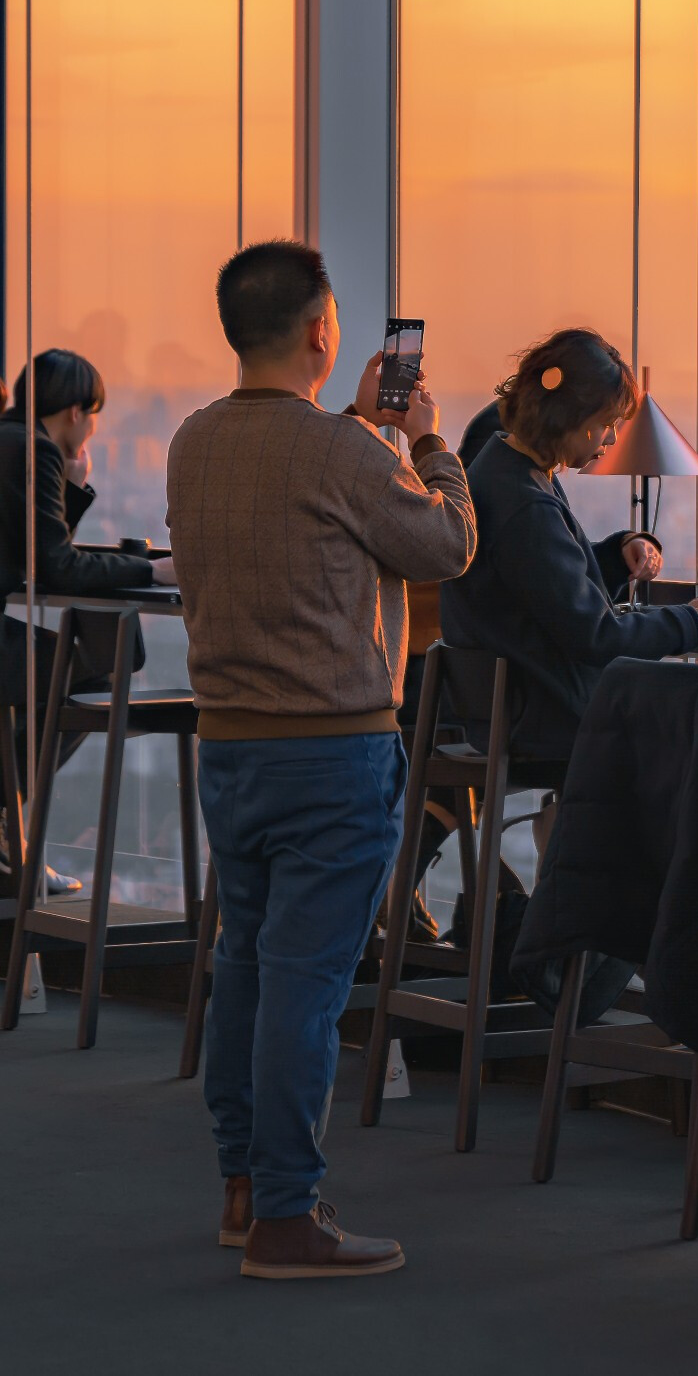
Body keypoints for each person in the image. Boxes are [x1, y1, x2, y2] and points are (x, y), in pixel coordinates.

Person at [166, 240, 475, 1282]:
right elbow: (445, 546)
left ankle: (245, 1188)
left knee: (247, 969)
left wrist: (363, 428)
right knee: (304, 986)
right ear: (319, 330)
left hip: (230, 748)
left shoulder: (191, 442)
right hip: (332, 752)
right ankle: (289, 1218)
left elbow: (306, 493)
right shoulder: (350, 455)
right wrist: (427, 444)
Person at [423, 330, 698, 893]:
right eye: (606, 424)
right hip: (550, 712)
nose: (609, 440)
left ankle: (578, 875)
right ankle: (643, 908)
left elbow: (538, 595)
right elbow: (595, 633)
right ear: (573, 418)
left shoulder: (500, 469)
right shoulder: (524, 502)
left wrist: (612, 555)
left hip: (520, 704)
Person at [0, 350, 175, 894]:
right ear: (76, 411)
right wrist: (155, 570)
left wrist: (71, 487)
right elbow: (58, 565)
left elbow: (38, 552)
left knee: (89, 663)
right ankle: (8, 819)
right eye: (94, 414)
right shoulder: (33, 450)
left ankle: (8, 822)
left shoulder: (10, 443)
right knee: (102, 667)